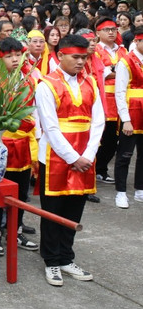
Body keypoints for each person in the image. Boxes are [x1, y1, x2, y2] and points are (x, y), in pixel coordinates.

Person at [34, 34, 104, 286]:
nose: (81, 62)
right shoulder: (46, 85)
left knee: (74, 210)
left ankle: (66, 257)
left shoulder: (91, 82)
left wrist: (88, 155)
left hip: (85, 156)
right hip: (55, 157)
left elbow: (99, 121)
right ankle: (52, 260)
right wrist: (73, 157)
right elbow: (50, 127)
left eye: (84, 57)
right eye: (76, 57)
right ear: (60, 55)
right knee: (53, 211)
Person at [0, 38, 40, 255]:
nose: (15, 59)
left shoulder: (28, 80)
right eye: (8, 56)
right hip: (0, 144)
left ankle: (15, 230)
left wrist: (38, 139)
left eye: (18, 55)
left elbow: (35, 112)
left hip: (23, 143)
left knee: (21, 191)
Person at [112, 26, 143, 208]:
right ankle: (121, 192)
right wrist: (126, 119)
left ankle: (140, 188)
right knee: (125, 154)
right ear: (137, 41)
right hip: (132, 111)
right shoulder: (126, 62)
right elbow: (120, 92)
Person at [93, 17, 125, 184]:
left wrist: (112, 71)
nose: (111, 32)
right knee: (104, 137)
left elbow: (130, 71)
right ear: (98, 32)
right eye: (107, 30)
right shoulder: (96, 50)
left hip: (122, 100)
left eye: (113, 29)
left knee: (115, 139)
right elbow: (101, 73)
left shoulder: (122, 50)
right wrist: (118, 72)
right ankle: (98, 169)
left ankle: (100, 169)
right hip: (103, 100)